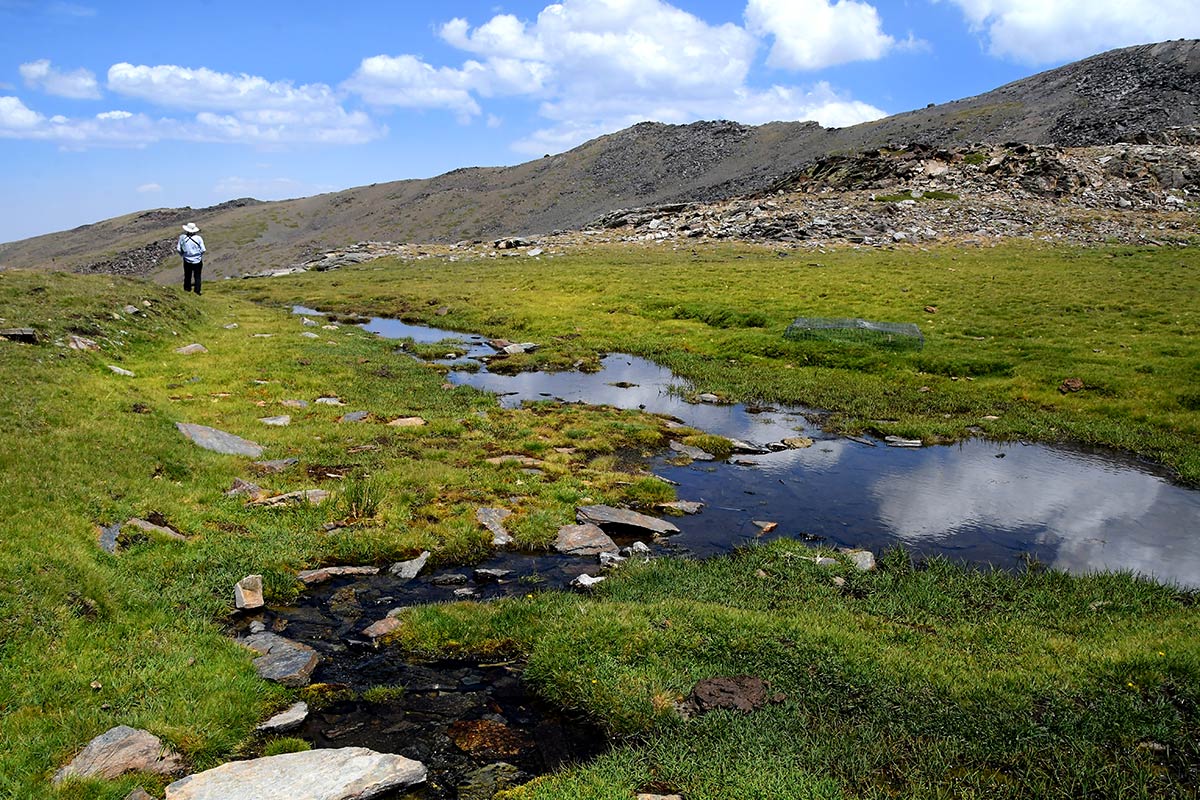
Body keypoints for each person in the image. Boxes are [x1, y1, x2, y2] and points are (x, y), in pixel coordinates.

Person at [177, 222, 206, 295]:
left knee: (187, 275)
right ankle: (197, 291)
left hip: (187, 260)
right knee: (197, 276)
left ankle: (187, 289)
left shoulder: (182, 237)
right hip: (197, 260)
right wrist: (199, 255)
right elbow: (203, 249)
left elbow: (178, 249)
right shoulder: (198, 238)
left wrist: (183, 255)